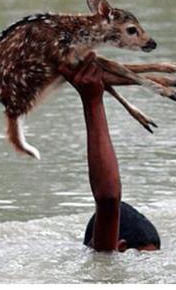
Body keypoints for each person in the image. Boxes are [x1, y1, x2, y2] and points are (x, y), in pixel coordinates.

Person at [58, 52, 161, 252]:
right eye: (144, 259)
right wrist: (93, 102)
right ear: (120, 247)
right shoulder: (105, 257)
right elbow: (108, 200)